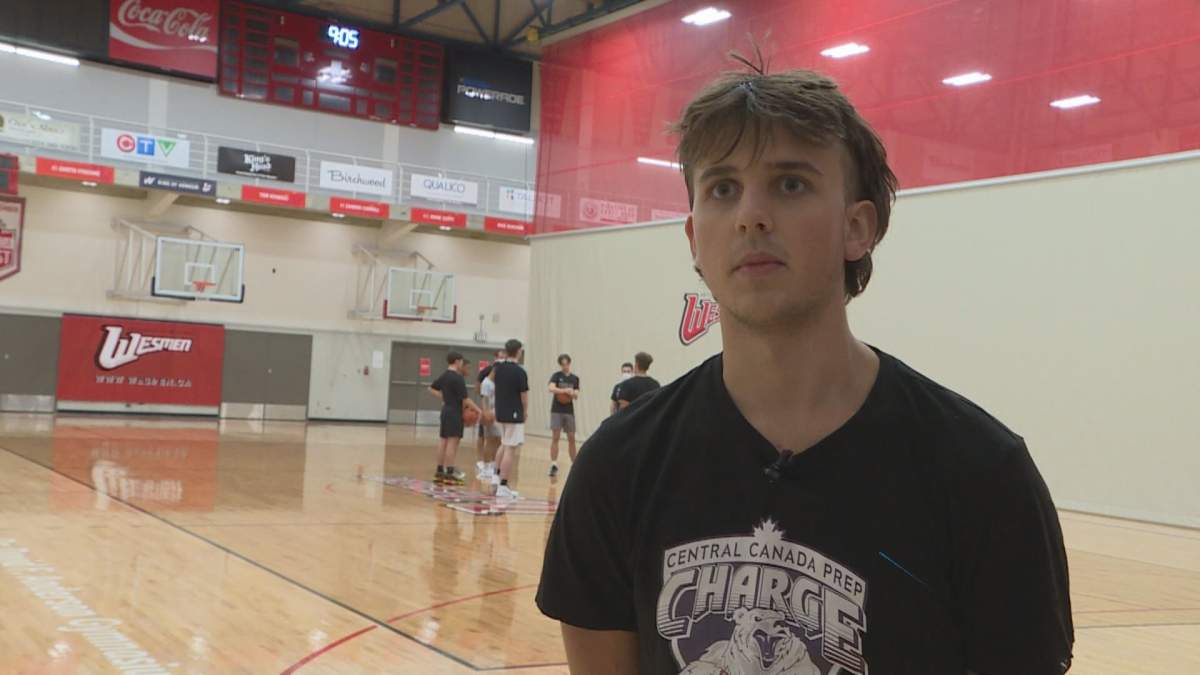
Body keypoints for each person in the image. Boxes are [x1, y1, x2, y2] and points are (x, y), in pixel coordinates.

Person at [537, 54, 1073, 675]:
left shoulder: (983, 473)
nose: (750, 215)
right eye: (722, 188)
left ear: (857, 228)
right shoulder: (616, 467)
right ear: (693, 239)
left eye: (790, 184)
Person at [428, 351, 480, 487]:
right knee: (452, 442)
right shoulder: (457, 378)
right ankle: (449, 473)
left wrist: (444, 398)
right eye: (462, 362)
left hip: (445, 410)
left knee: (443, 440)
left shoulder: (444, 375)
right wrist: (478, 410)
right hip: (454, 411)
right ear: (457, 362)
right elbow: (466, 399)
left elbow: (431, 388)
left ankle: (439, 471)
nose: (462, 364)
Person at [491, 338, 529, 500]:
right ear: (518, 351)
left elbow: (488, 385)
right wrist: (525, 412)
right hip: (514, 413)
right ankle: (503, 485)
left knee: (504, 444)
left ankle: (495, 477)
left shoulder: (499, 369)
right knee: (510, 449)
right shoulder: (519, 372)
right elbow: (524, 396)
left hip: (500, 412)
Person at [547, 353, 581, 477]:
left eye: (566, 364)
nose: (565, 366)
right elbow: (551, 388)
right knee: (555, 437)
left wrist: (572, 393)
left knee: (571, 437)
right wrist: (564, 391)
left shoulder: (575, 378)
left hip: (569, 410)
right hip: (556, 410)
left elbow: (576, 394)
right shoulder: (556, 376)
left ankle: (574, 465)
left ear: (569, 363)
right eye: (563, 364)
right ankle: (553, 464)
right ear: (560, 364)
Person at [475, 348, 506, 478]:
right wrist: (486, 414)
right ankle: (486, 467)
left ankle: (494, 465)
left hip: (499, 414)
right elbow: (484, 400)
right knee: (489, 441)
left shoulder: (499, 382)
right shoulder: (487, 383)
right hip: (490, 414)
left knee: (499, 441)